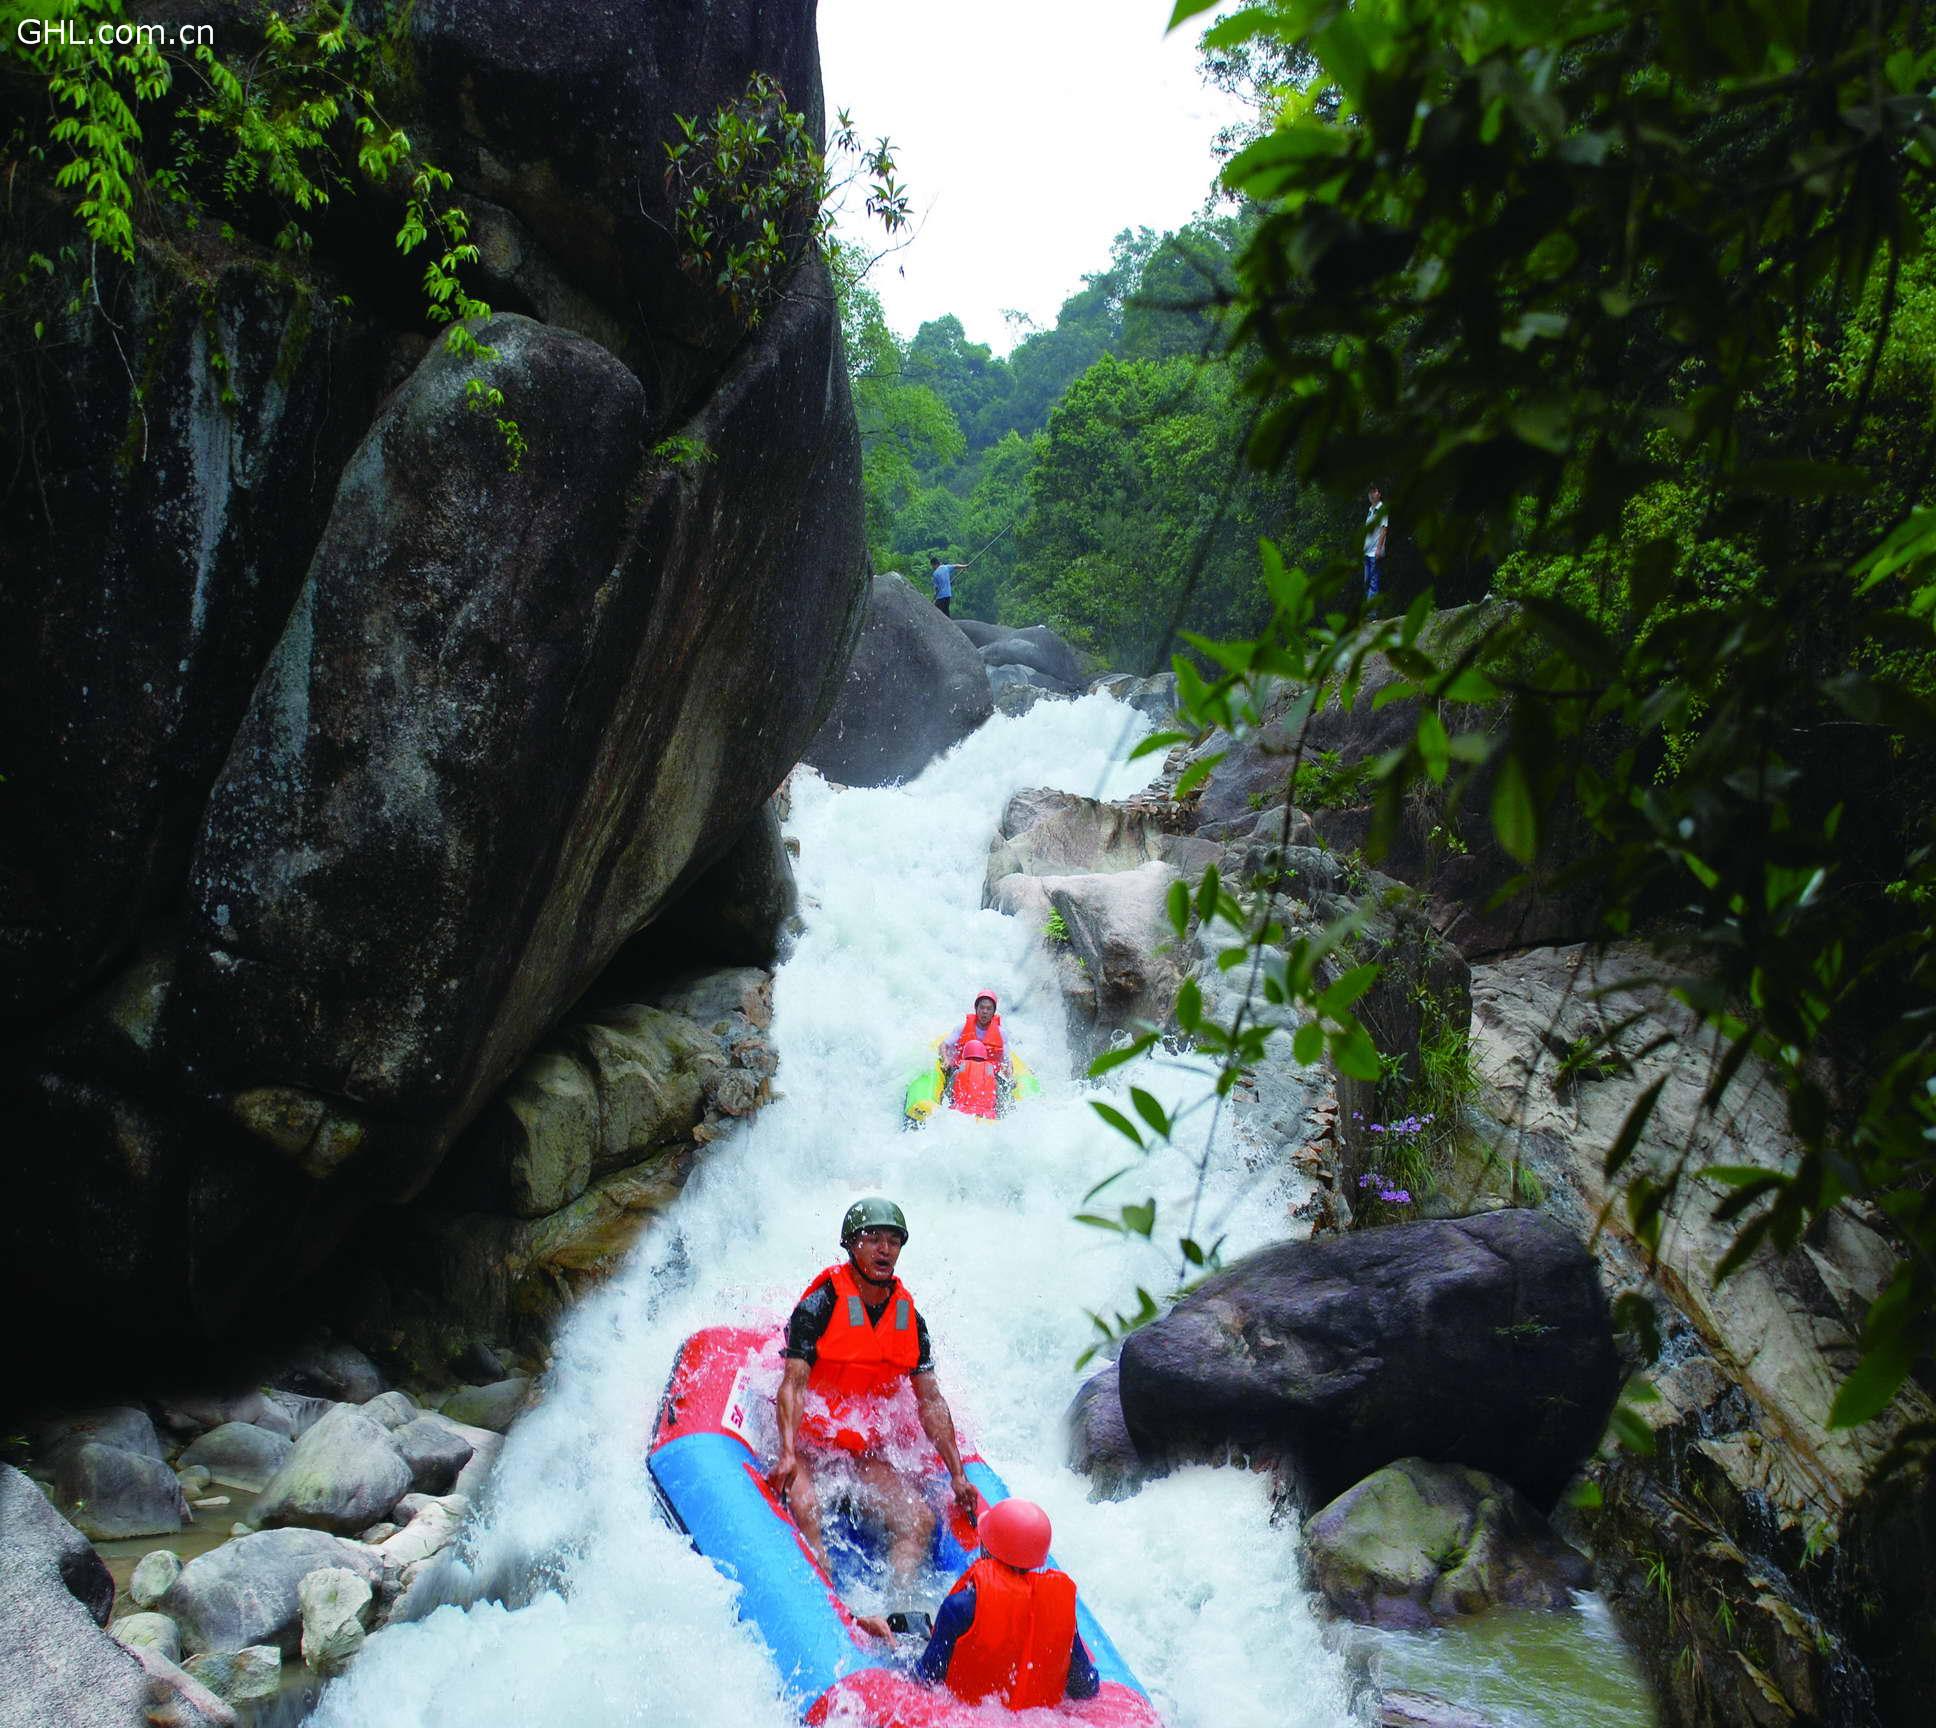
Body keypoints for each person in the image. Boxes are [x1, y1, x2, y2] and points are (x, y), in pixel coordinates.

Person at [769, 1197, 979, 1615]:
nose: (884, 1249)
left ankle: (900, 1611)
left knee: (918, 1520)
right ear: (851, 1245)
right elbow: (793, 1385)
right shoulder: (819, 1306)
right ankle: (831, 1617)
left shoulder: (911, 1321)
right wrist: (789, 1453)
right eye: (873, 1239)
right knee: (807, 1508)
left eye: (893, 1241)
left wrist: (957, 1474)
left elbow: (930, 1400)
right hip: (811, 1442)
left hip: (859, 1450)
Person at [916, 1497, 1100, 1709]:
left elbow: (927, 1678)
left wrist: (895, 1648)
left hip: (972, 1715)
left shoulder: (959, 1607)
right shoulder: (1059, 1610)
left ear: (985, 1549)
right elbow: (1085, 1686)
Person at [942, 991, 1006, 1075]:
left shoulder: (1001, 1033)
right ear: (976, 1008)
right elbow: (943, 1045)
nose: (985, 1012)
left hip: (989, 1073)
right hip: (962, 1070)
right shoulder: (961, 1028)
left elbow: (1006, 1060)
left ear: (994, 1012)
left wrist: (1008, 1072)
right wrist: (946, 1060)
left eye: (989, 1008)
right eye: (982, 1007)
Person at [1363, 484, 1388, 606]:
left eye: (1374, 492)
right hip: (1367, 552)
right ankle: (1369, 611)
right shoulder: (1370, 510)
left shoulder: (1382, 509)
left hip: (1375, 552)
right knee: (1367, 582)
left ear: (1379, 493)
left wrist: (1379, 549)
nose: (1371, 495)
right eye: (1370, 493)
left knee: (1373, 582)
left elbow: (1384, 529)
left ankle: (1372, 614)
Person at [928, 552, 967, 616]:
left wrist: (934, 598)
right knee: (946, 613)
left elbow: (936, 589)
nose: (932, 567)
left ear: (934, 564)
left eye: (932, 566)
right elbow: (956, 566)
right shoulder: (946, 567)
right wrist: (964, 566)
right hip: (948, 595)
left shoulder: (935, 574)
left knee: (935, 613)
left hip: (941, 597)